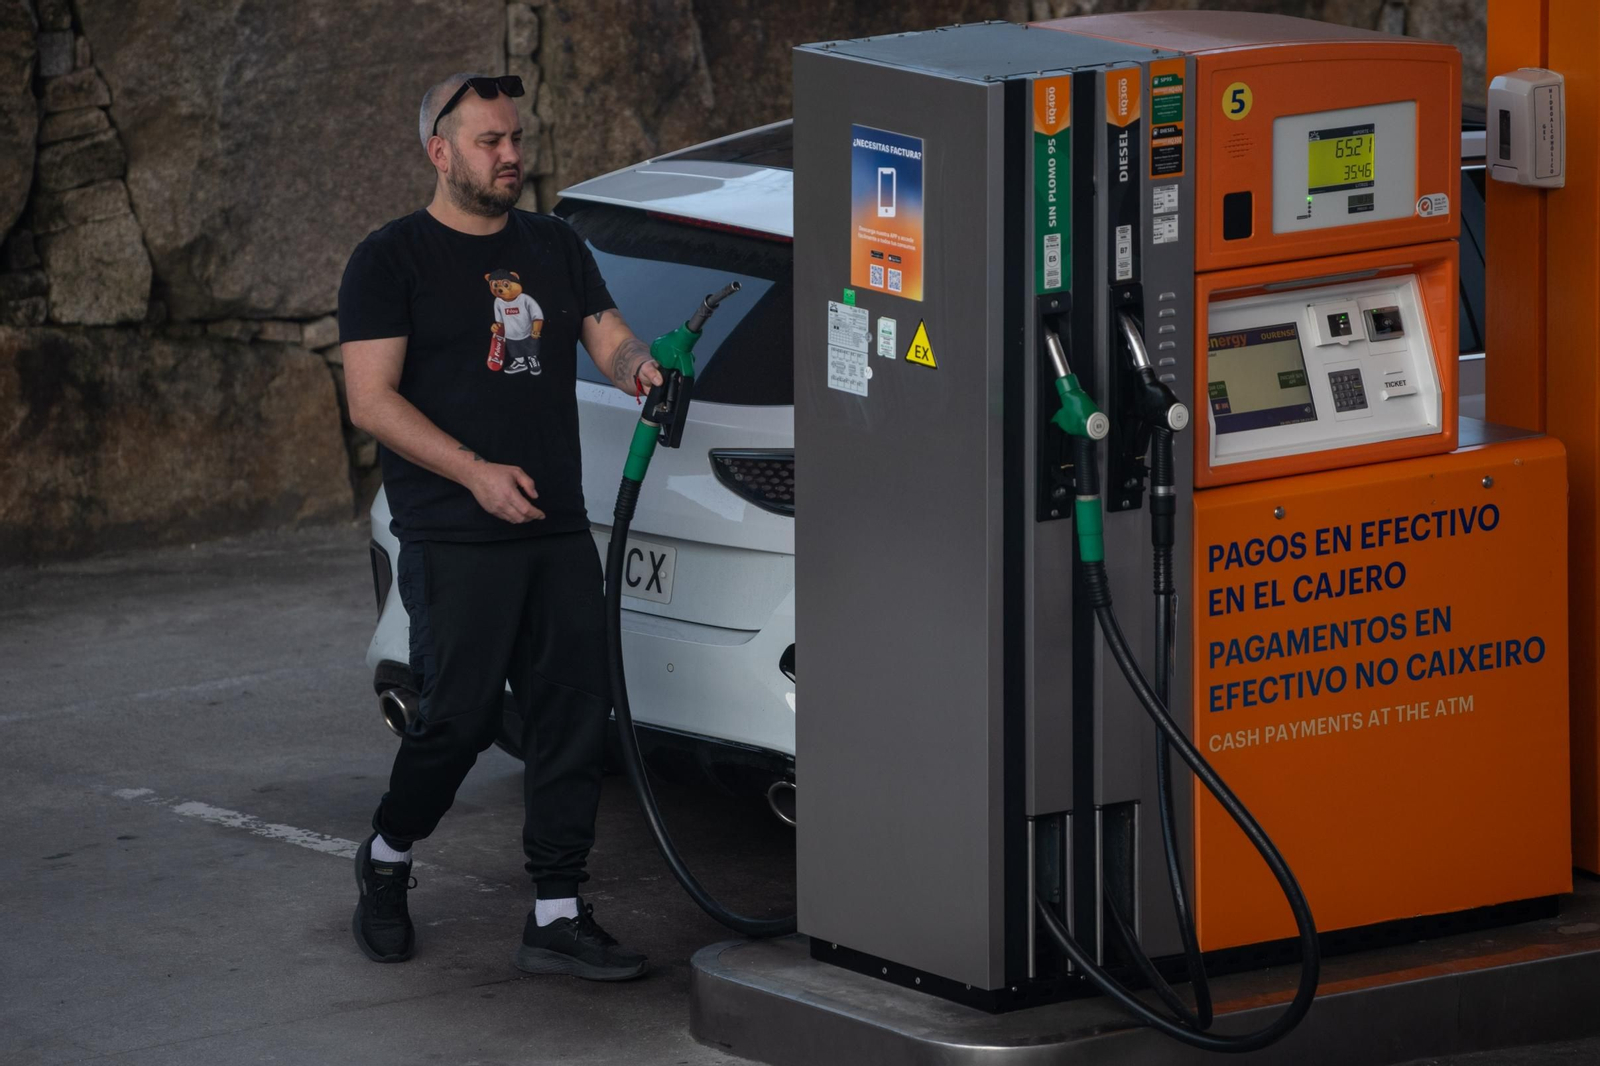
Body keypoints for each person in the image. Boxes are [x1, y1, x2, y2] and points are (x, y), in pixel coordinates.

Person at [336, 72, 662, 981]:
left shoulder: (555, 245)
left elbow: (606, 333)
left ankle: (555, 912)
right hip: (453, 527)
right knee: (459, 719)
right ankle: (389, 856)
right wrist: (474, 474)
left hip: (554, 522)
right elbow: (371, 400)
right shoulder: (390, 259)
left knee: (569, 716)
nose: (511, 154)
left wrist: (642, 371)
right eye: (489, 141)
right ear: (440, 153)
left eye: (515, 137)